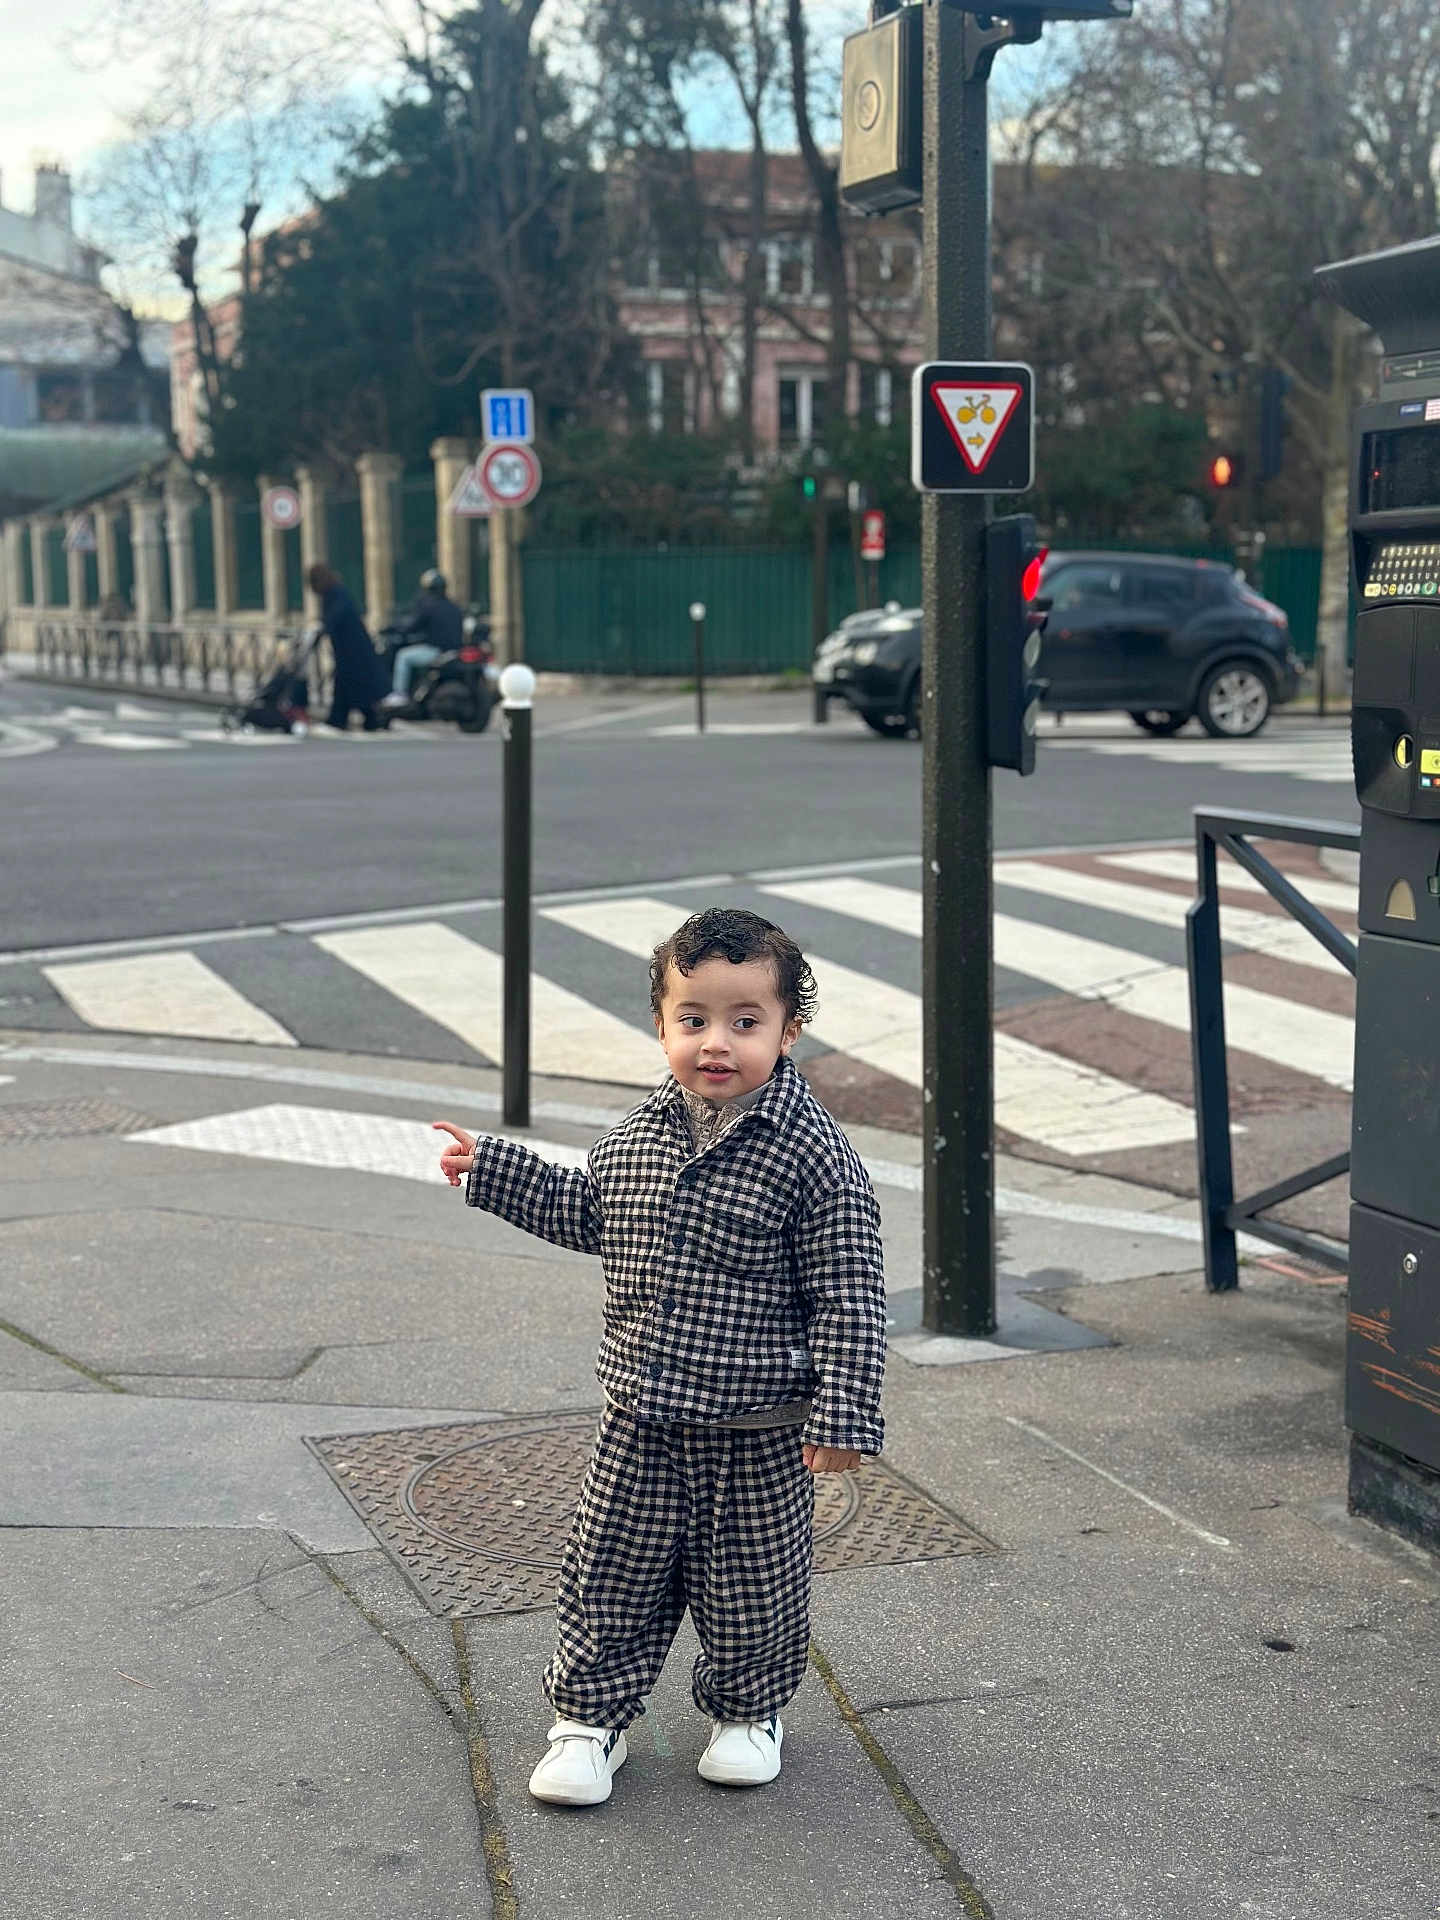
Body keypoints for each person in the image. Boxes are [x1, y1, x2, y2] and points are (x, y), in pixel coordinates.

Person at [432, 907, 886, 1808]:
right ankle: (588, 1722)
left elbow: (850, 1292)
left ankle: (749, 1714)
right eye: (694, 1019)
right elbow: (588, 1212)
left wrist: (844, 1414)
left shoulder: (815, 1159)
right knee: (610, 1569)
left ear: (790, 1030)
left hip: (759, 1426)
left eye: (746, 1022)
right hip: (639, 1416)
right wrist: (494, 1172)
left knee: (753, 1581)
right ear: (662, 1024)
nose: (717, 1042)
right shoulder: (641, 1135)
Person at [306, 563, 387, 731]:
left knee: (352, 681)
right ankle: (342, 716)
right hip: (349, 647)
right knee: (347, 682)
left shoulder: (336, 593)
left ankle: (351, 717)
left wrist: (324, 627)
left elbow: (337, 615)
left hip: (352, 648)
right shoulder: (335, 592)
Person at [380, 567, 464, 708]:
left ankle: (400, 695)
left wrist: (394, 629)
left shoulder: (429, 606)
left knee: (403, 656)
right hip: (455, 651)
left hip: (437, 651)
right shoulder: (454, 607)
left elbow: (412, 625)